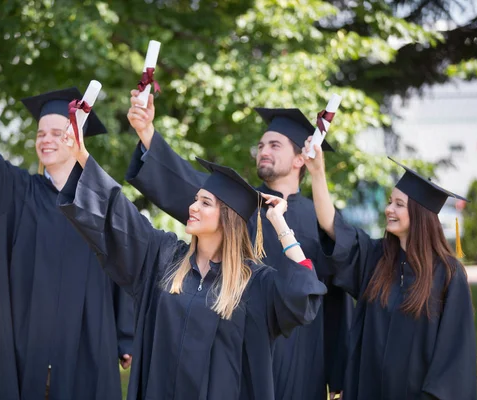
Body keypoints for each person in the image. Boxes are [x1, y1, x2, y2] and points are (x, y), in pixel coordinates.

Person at [0, 59, 133, 400]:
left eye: (56, 133)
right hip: (21, 356)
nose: (45, 140)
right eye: (40, 133)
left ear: (76, 139)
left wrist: (126, 336)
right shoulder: (15, 193)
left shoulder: (101, 202)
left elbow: (124, 269)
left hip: (84, 354)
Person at [56, 126, 328, 399]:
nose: (193, 207)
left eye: (205, 202)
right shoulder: (164, 258)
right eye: (195, 200)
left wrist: (280, 223)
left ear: (228, 219)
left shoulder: (256, 284)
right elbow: (118, 214)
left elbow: (303, 296)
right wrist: (82, 156)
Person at [124, 91, 352, 399]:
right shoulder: (237, 205)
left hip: (301, 357)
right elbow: (184, 181)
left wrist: (337, 371)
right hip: (241, 346)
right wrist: (147, 132)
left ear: (301, 157)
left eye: (275, 145)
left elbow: (335, 296)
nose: (263, 151)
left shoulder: (318, 218)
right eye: (260, 145)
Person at [303, 138, 477, 399]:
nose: (388, 210)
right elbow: (334, 228)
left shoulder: (447, 275)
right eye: (389, 201)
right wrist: (317, 173)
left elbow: (455, 353)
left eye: (398, 204)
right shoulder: (377, 258)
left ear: (419, 214)